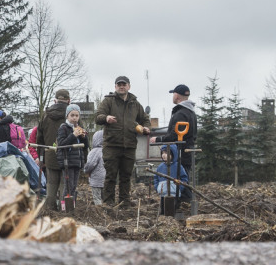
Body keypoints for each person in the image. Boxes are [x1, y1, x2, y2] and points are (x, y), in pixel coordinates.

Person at [96, 76, 151, 206]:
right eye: (119, 84)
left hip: (130, 145)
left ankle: (124, 202)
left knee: (126, 176)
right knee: (110, 176)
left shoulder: (135, 104)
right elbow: (97, 117)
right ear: (115, 87)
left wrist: (146, 127)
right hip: (112, 145)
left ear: (129, 86)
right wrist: (106, 118)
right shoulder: (108, 101)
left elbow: (145, 119)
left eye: (124, 84)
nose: (121, 86)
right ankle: (108, 203)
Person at [151, 84, 197, 203]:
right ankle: (182, 201)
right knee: (182, 176)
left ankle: (184, 201)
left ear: (177, 96)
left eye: (173, 94)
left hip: (181, 152)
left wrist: (158, 139)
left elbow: (174, 135)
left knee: (181, 178)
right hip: (187, 151)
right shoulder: (190, 112)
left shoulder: (181, 114)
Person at [39, 89, 72, 212]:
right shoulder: (73, 114)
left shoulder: (45, 115)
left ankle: (50, 209)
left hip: (50, 154)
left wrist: (41, 155)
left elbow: (39, 137)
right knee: (65, 184)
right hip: (68, 155)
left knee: (51, 184)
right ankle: (64, 210)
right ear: (69, 101)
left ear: (55, 100)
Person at [56, 104, 89, 208]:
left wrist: (84, 137)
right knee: (68, 186)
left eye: (76, 115)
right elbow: (61, 144)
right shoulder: (63, 128)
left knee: (74, 186)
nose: (74, 118)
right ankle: (65, 208)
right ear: (67, 116)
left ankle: (72, 206)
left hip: (77, 161)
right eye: (72, 115)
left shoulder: (79, 128)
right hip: (67, 161)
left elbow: (85, 146)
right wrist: (73, 135)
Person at [83, 130, 105, 205]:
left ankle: (100, 212)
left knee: (97, 198)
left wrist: (86, 170)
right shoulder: (108, 151)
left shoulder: (95, 151)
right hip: (106, 179)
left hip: (96, 180)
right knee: (105, 198)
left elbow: (90, 164)